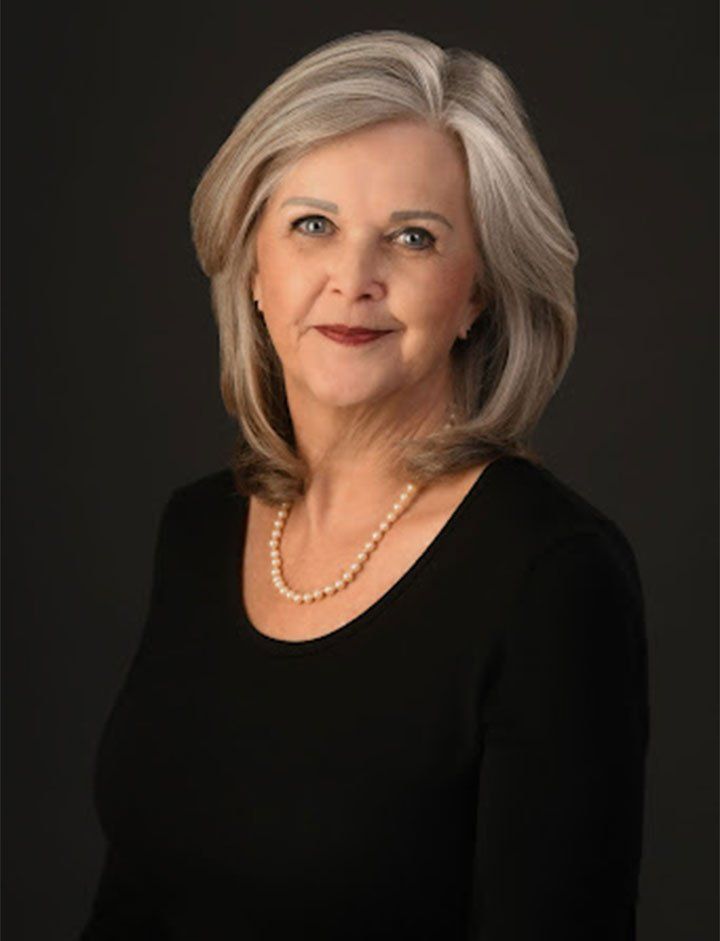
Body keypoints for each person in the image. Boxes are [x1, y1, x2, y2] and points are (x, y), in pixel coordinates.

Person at [78, 29, 649, 940]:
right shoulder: (198, 528)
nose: (355, 279)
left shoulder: (551, 577)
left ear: (476, 294)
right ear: (254, 267)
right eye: (313, 225)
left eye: (413, 238)